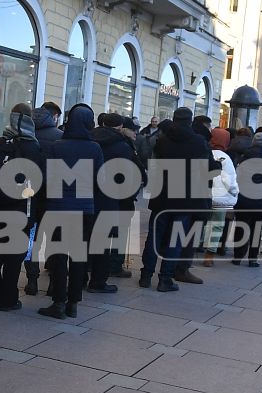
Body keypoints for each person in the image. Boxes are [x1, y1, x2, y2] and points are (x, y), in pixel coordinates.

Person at [36, 102, 105, 318]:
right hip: (84, 209)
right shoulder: (95, 148)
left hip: (58, 207)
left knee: (58, 256)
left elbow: (47, 178)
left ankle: (58, 302)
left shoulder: (58, 146)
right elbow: (100, 179)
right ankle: (73, 303)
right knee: (78, 256)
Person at [142, 107, 212, 288]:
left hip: (161, 196)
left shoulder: (162, 140)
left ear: (173, 120)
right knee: (175, 238)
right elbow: (208, 169)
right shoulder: (198, 142)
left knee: (154, 236)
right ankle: (165, 278)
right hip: (185, 198)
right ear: (190, 121)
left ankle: (145, 275)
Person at [0, 103, 42, 310]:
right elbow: (38, 183)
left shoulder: (0, 142)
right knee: (13, 257)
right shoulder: (33, 147)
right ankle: (8, 299)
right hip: (21, 210)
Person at [90, 113, 140, 290]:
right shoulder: (122, 146)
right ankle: (100, 279)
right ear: (120, 127)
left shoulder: (91, 138)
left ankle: (87, 270)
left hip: (90, 196)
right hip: (113, 198)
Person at [24, 104, 64, 294]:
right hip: (54, 196)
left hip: (30, 196)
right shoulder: (59, 137)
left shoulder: (27, 134)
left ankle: (32, 279)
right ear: (54, 116)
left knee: (32, 238)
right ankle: (52, 285)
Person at [232, 127, 262, 267]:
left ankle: (238, 256)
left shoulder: (244, 156)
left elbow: (237, 176)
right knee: (257, 228)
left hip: (244, 198)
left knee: (241, 226)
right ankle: (253, 258)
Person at [203, 127, 238, 265]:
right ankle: (209, 255)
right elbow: (229, 180)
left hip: (205, 195)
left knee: (204, 223)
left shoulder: (205, 153)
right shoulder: (226, 158)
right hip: (221, 198)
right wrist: (235, 192)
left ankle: (199, 246)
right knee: (217, 225)